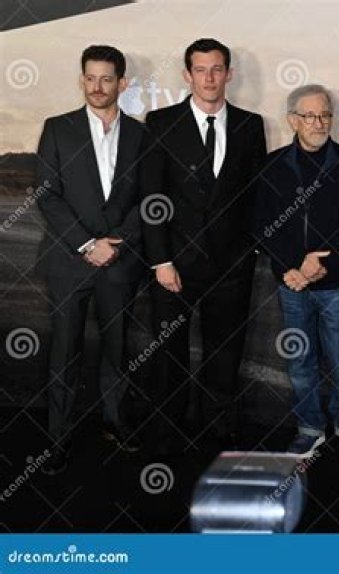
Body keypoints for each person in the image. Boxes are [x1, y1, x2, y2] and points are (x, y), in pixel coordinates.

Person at [140, 38, 266, 454]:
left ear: (229, 74)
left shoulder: (250, 125)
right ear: (187, 75)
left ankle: (218, 432)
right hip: (174, 264)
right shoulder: (161, 123)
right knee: (169, 355)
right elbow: (152, 197)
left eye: (217, 69)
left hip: (232, 265)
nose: (209, 78)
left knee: (225, 354)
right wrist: (160, 260)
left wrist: (249, 251)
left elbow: (255, 194)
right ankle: (166, 434)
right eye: (200, 70)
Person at [36, 45, 145, 475]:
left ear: (122, 83)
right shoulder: (57, 128)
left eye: (106, 79)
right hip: (69, 262)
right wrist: (87, 244)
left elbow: (149, 198)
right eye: (90, 78)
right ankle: (56, 440)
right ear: (82, 79)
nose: (97, 87)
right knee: (64, 352)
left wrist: (118, 242)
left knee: (117, 349)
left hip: (120, 261)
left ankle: (115, 422)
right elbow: (48, 195)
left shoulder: (141, 134)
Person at [254, 85, 339, 461]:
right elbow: (262, 224)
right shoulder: (272, 166)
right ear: (292, 120)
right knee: (300, 363)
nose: (319, 123)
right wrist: (292, 267)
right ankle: (309, 429)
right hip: (291, 285)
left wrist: (320, 265)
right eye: (310, 116)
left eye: (325, 115)